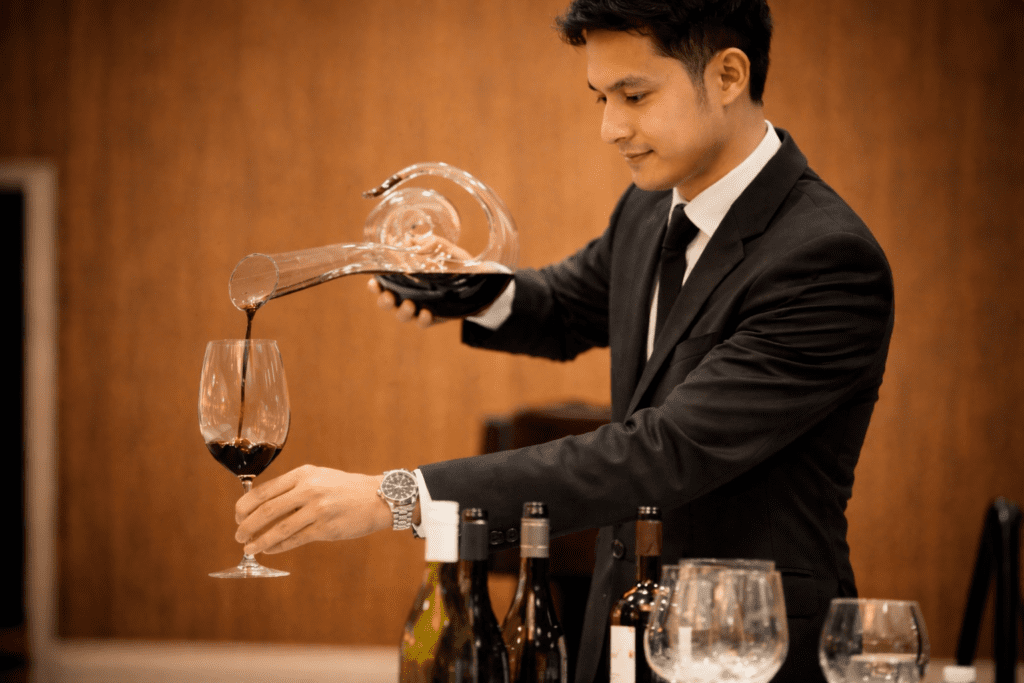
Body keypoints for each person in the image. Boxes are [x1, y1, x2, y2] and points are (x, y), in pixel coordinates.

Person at [233, 1, 895, 681]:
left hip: (752, 647)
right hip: (618, 634)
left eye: (635, 95)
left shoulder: (825, 258)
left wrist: (394, 495)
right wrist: (454, 284)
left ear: (728, 75)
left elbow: (659, 453)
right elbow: (565, 305)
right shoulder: (649, 205)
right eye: (601, 97)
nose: (611, 127)